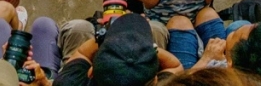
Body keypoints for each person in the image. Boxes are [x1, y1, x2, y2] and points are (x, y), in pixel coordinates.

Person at [51, 13, 184, 86]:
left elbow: (82, 54)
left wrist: (105, 39)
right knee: (157, 29)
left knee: (79, 28)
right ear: (155, 81)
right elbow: (176, 66)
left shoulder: (70, 82)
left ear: (91, 72)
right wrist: (146, 46)